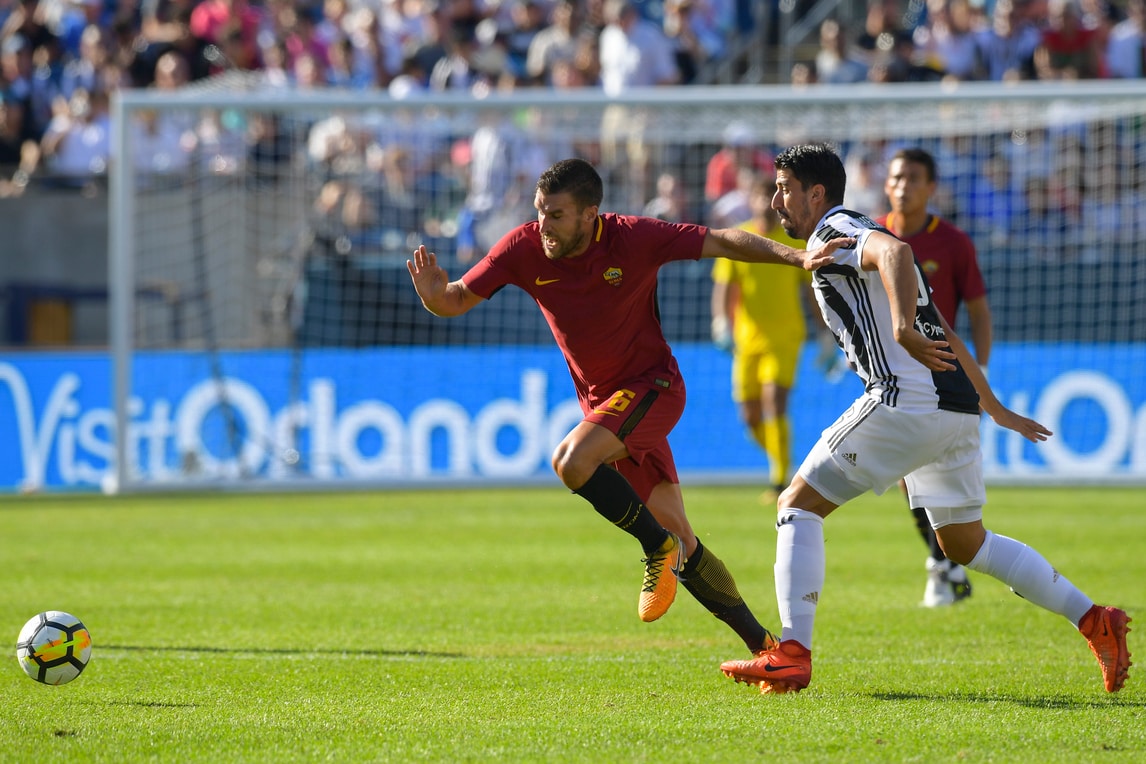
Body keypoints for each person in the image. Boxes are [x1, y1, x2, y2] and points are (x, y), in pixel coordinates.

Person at [719, 143, 1132, 695]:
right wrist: (991, 405)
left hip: (904, 400)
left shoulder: (834, 229)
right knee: (965, 543)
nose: (776, 202)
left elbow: (897, 253)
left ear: (816, 194)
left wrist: (901, 329)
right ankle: (1094, 619)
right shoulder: (857, 225)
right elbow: (943, 325)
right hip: (953, 407)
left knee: (797, 504)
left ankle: (792, 653)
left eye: (784, 189)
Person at [407, 157, 849, 657]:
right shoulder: (523, 247)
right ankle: (767, 648)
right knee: (684, 538)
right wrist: (434, 297)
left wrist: (797, 257)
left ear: (589, 214)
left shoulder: (634, 238)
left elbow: (725, 240)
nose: (543, 225)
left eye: (556, 215)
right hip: (607, 407)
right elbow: (455, 299)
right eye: (539, 211)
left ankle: (654, 547)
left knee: (571, 461)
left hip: (653, 388)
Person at [878, 147, 992, 608]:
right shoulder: (872, 236)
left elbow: (979, 311)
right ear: (886, 184)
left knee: (936, 480)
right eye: (896, 177)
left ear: (931, 187)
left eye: (913, 178)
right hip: (889, 376)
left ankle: (943, 565)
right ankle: (943, 566)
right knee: (907, 478)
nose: (902, 186)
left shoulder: (953, 242)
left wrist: (981, 373)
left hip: (944, 376)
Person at [710, 175, 824, 502]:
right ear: (751, 200)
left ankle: (779, 481)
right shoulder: (739, 237)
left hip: (785, 336)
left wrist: (825, 333)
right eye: (761, 195)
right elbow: (724, 287)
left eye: (772, 195)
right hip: (747, 339)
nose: (766, 202)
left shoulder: (794, 241)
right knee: (750, 416)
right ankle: (784, 462)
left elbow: (811, 292)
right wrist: (721, 322)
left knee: (775, 401)